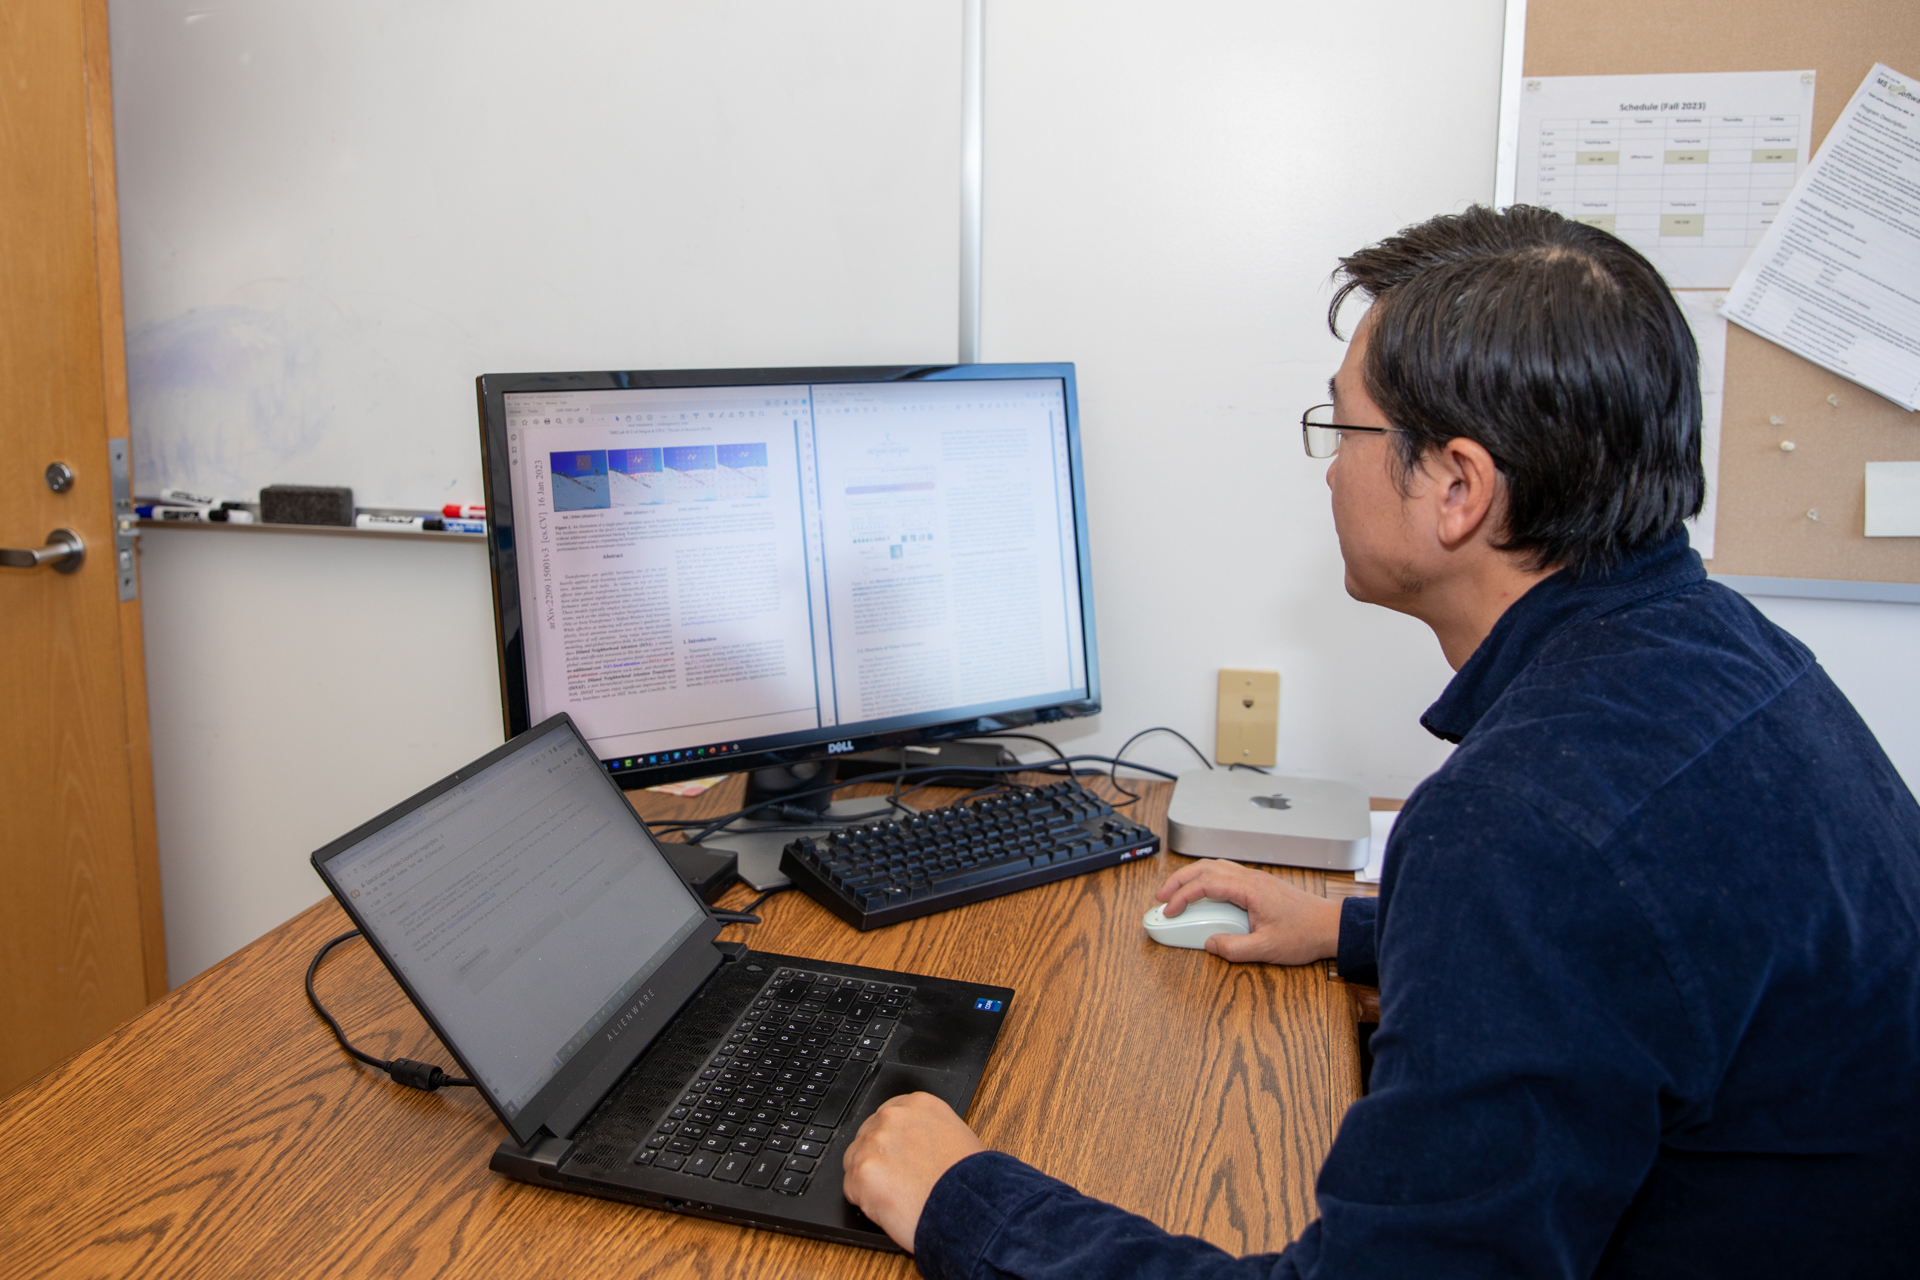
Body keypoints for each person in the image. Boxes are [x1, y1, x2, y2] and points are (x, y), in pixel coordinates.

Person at [839, 205, 1920, 1277]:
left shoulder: (1521, 824)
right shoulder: (1725, 652)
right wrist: (1366, 930)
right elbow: (1650, 958)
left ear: (1458, 486)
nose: (1326, 469)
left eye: (1342, 427)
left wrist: (966, 1201)